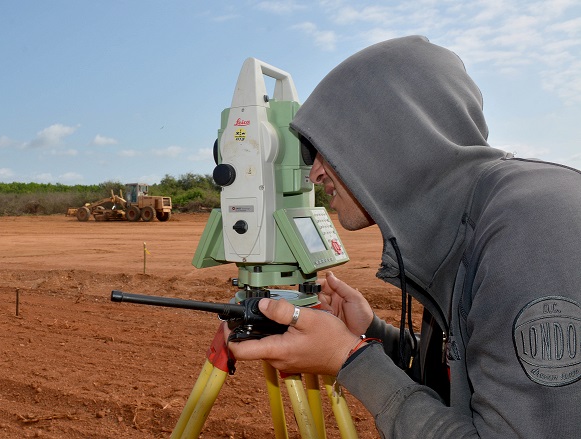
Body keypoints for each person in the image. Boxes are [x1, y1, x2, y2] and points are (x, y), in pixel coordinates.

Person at [227, 35, 581, 438]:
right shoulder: (460, 223)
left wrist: (351, 359)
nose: (314, 174)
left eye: (327, 151)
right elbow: (465, 371)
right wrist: (372, 333)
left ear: (386, 140)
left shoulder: (530, 227)